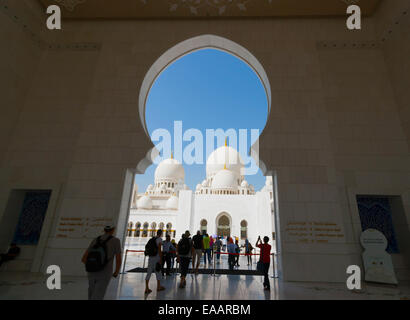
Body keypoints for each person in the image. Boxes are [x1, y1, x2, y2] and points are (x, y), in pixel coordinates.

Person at [82, 225, 122, 300]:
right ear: (113, 230)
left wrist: (92, 266)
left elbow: (84, 259)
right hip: (105, 273)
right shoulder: (116, 241)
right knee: (98, 294)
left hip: (91, 271)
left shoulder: (95, 240)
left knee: (91, 293)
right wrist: (116, 272)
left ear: (104, 230)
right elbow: (118, 259)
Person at [144, 229, 165, 294]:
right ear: (161, 234)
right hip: (156, 258)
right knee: (158, 272)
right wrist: (161, 258)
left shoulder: (152, 239)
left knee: (149, 272)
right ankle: (158, 287)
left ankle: (147, 288)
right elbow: (159, 249)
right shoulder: (159, 239)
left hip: (150, 257)